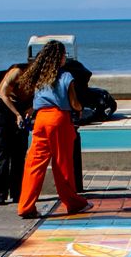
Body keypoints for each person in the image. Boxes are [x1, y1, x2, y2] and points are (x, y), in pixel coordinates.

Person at [16, 41, 92, 218]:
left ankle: (26, 206)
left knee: (34, 163)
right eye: (64, 54)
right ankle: (73, 203)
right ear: (60, 57)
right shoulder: (66, 76)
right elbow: (73, 103)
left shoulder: (40, 77)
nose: (66, 57)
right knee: (62, 163)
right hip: (58, 119)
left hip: (41, 119)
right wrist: (80, 109)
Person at [0, 60, 29, 205]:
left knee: (19, 156)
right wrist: (17, 114)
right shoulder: (17, 72)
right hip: (1, 116)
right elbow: (4, 94)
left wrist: (30, 110)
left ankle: (17, 193)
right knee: (2, 155)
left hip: (20, 114)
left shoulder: (39, 78)